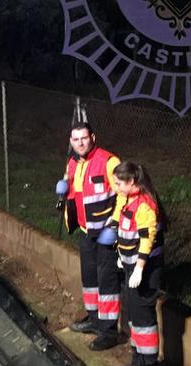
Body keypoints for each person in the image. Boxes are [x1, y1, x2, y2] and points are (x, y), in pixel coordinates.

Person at [57, 122, 122, 350]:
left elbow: (124, 194)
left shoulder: (108, 161)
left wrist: (113, 225)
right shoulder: (73, 163)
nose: (80, 143)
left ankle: (109, 331)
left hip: (105, 234)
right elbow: (75, 192)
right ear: (71, 141)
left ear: (92, 137)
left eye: (84, 138)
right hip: (86, 233)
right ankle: (95, 320)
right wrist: (64, 190)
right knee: (90, 280)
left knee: (107, 282)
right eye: (75, 139)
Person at [107, 162, 165, 366]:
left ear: (132, 182)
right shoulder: (130, 199)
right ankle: (138, 363)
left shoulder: (144, 205)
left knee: (144, 320)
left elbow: (147, 238)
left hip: (145, 270)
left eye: (119, 183)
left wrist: (139, 267)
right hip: (132, 266)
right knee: (134, 317)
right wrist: (123, 256)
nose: (116, 187)